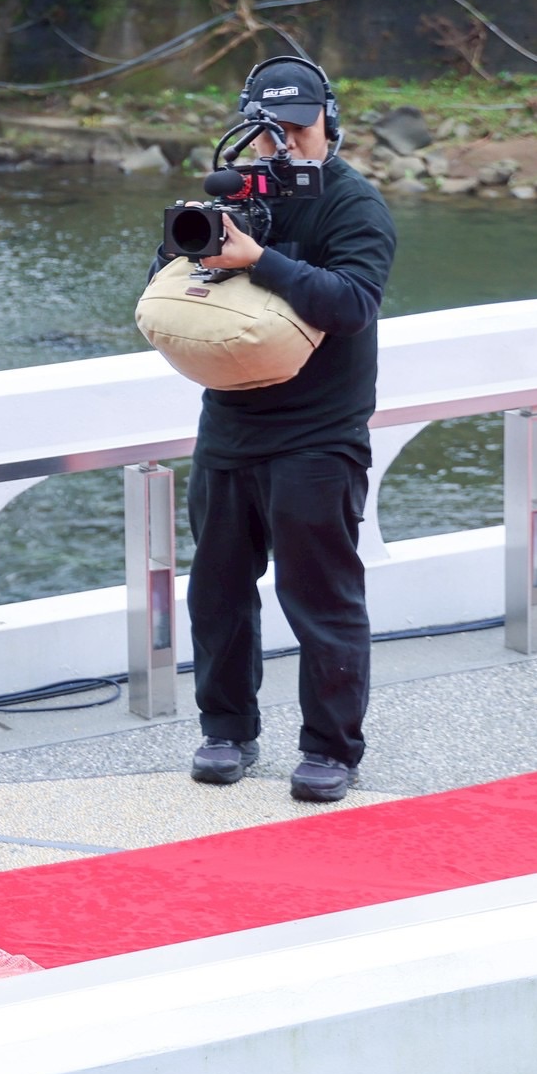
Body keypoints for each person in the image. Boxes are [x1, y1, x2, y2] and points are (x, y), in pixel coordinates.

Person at [171, 56, 397, 806]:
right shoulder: (232, 196)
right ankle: (225, 731)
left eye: (297, 129)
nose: (283, 145)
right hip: (229, 426)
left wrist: (258, 260)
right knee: (218, 591)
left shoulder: (352, 203)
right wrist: (194, 250)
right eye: (268, 133)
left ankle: (331, 748)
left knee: (320, 594)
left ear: (327, 121)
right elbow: (174, 286)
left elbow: (352, 304)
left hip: (318, 434)